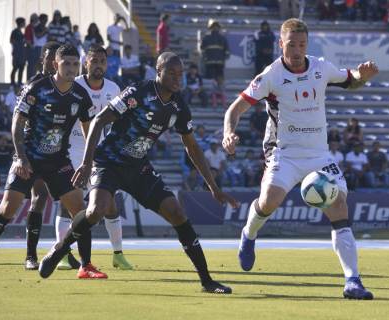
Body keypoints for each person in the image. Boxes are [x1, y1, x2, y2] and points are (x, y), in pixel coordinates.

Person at [39, 52, 239, 294]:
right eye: (172, 73)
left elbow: (192, 147)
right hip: (108, 163)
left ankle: (207, 281)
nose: (178, 79)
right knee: (95, 211)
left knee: (176, 212)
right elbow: (100, 120)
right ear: (159, 72)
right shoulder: (139, 93)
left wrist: (213, 187)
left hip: (138, 168)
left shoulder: (178, 106)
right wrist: (88, 161)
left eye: (181, 74)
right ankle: (60, 249)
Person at [222, 18, 378, 299]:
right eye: (291, 44)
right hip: (285, 153)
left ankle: (352, 281)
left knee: (340, 208)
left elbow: (350, 81)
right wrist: (228, 133)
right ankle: (249, 233)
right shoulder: (271, 75)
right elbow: (235, 109)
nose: (297, 50)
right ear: (280, 44)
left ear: (308, 45)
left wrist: (362, 76)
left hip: (318, 154)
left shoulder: (320, 67)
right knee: (269, 201)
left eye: (302, 44)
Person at [0, 44, 94, 277]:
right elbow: (17, 124)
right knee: (8, 207)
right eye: (66, 63)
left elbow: (89, 131)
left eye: (75, 64)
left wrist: (88, 162)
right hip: (29, 157)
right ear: (55, 64)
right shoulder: (36, 89)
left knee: (80, 210)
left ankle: (86, 266)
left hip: (58, 160)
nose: (71, 68)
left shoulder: (80, 95)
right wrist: (20, 158)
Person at [62, 44, 132, 271]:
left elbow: (121, 120)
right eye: (95, 61)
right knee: (69, 203)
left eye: (103, 61)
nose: (99, 65)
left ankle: (118, 255)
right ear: (86, 62)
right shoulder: (75, 84)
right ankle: (63, 254)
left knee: (110, 205)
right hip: (72, 149)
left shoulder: (114, 87)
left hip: (100, 152)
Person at [19, 41, 81, 270]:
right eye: (47, 58)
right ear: (46, 61)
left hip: (58, 152)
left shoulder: (69, 86)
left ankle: (63, 251)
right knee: (40, 197)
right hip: (34, 151)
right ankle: (30, 255)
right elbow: (21, 118)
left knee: (69, 203)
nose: (49, 62)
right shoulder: (34, 85)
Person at [10, 17, 26, 85]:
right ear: (20, 23)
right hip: (17, 53)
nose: (24, 24)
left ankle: (19, 81)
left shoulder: (21, 32)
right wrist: (18, 44)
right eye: (23, 22)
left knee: (21, 67)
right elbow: (11, 41)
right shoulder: (15, 31)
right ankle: (12, 82)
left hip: (21, 53)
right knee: (15, 67)